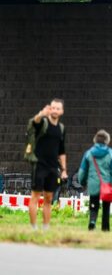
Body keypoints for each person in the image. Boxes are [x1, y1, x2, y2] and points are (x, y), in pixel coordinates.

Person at [27, 99, 67, 231]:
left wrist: (64, 169)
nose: (54, 110)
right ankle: (33, 227)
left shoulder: (61, 129)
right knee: (35, 196)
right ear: (50, 109)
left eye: (57, 108)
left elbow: (62, 150)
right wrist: (41, 114)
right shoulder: (43, 122)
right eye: (53, 108)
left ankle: (45, 228)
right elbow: (34, 122)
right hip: (39, 164)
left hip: (52, 167)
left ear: (61, 111)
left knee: (49, 198)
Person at [78, 130, 112, 232]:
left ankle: (92, 222)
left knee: (93, 203)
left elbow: (82, 171)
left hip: (93, 184)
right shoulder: (111, 154)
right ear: (107, 141)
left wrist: (83, 182)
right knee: (106, 207)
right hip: (106, 185)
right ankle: (105, 228)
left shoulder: (89, 153)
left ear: (95, 140)